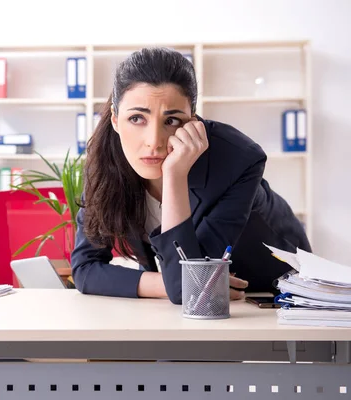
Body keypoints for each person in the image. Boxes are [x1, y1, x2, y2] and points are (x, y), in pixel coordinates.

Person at [70, 47, 311, 305]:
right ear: (116, 120)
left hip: (277, 297)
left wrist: (174, 173)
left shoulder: (238, 159)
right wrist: (176, 284)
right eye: (137, 118)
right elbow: (85, 270)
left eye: (172, 121)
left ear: (192, 121)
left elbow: (189, 289)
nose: (154, 142)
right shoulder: (108, 160)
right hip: (199, 300)